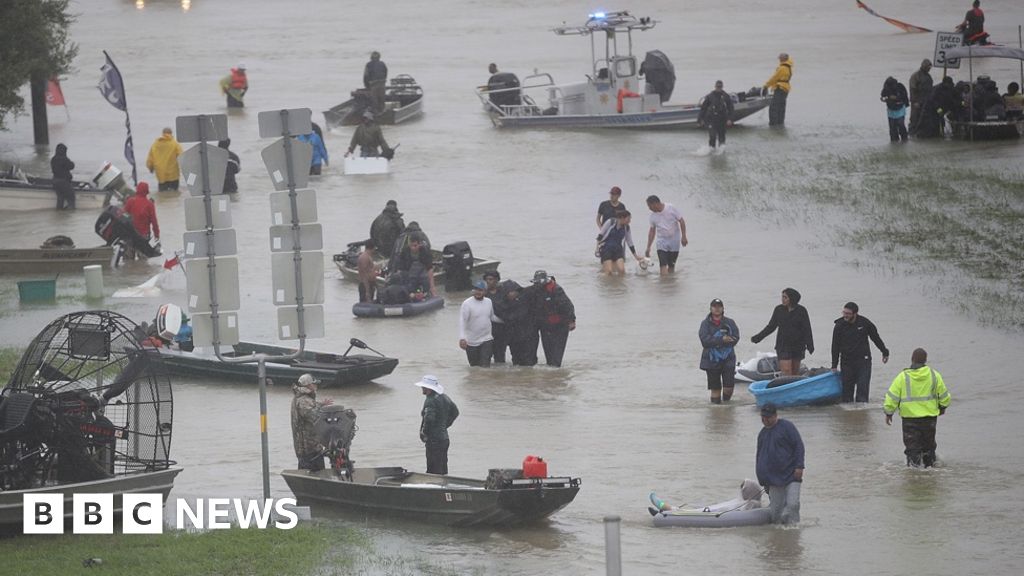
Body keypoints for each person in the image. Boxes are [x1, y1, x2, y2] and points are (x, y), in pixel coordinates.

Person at [884, 348, 951, 467]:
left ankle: (913, 474)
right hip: (929, 418)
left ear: (912, 359)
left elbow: (892, 396)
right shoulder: (934, 375)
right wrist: (943, 407)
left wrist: (889, 413)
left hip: (909, 419)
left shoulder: (902, 377)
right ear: (925, 360)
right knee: (929, 447)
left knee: (912, 448)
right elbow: (944, 396)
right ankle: (930, 470)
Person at [831, 301, 890, 403]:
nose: (845, 315)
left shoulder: (865, 323)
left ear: (855, 314)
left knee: (862, 390)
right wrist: (834, 365)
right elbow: (835, 346)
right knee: (847, 395)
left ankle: (862, 414)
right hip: (846, 362)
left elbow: (876, 338)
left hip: (864, 361)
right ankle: (848, 416)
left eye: (848, 314)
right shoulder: (839, 325)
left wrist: (885, 352)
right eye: (844, 313)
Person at [756, 404, 804, 525]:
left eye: (768, 417)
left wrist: (799, 466)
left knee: (793, 504)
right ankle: (779, 536)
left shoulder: (787, 427)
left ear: (775, 416)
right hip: (773, 479)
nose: (765, 420)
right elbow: (760, 458)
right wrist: (763, 480)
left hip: (791, 475)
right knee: (776, 512)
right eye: (763, 417)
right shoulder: (762, 434)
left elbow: (799, 446)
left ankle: (794, 530)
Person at [751, 288, 814, 376]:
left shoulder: (801, 310)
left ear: (792, 298)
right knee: (786, 371)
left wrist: (810, 344)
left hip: (798, 345)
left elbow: (807, 328)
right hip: (783, 345)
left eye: (785, 297)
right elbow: (771, 326)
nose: (782, 299)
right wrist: (759, 337)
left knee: (795, 373)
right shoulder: (779, 309)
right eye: (782, 297)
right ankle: (786, 386)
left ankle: (793, 389)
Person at [529, 270, 576, 368]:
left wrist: (572, 321)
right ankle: (550, 376)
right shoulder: (535, 291)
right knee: (549, 354)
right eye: (536, 283)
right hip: (545, 325)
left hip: (560, 326)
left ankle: (556, 374)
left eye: (539, 283)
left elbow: (568, 306)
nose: (537, 285)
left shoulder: (556, 290)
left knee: (556, 355)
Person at [415, 375, 458, 475]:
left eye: (423, 387)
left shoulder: (430, 401)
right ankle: (444, 488)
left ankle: (434, 488)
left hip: (434, 441)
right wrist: (444, 425)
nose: (422, 388)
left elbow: (429, 419)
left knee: (433, 470)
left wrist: (424, 433)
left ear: (428, 388)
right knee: (443, 468)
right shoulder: (445, 397)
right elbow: (455, 412)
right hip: (444, 439)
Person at [699, 298, 740, 403]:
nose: (717, 309)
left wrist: (730, 340)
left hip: (728, 359)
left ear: (723, 308)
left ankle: (726, 406)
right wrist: (721, 340)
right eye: (714, 307)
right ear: (710, 308)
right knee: (715, 388)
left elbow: (736, 337)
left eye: (719, 307)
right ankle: (716, 412)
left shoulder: (730, 322)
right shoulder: (705, 324)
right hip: (711, 360)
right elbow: (704, 341)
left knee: (729, 387)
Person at [290, 373, 333, 471]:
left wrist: (321, 404)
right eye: (314, 384)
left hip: (308, 448)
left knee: (308, 478)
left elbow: (311, 409)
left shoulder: (301, 398)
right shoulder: (303, 401)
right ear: (308, 385)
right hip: (308, 449)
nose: (316, 386)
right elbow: (315, 416)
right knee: (315, 477)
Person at [495, 279, 538, 366]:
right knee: (516, 360)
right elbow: (503, 316)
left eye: (512, 291)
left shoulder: (527, 297)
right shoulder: (502, 303)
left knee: (529, 360)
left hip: (529, 335)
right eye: (508, 292)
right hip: (513, 337)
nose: (510, 294)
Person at [644, 195, 688, 275]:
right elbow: (652, 231)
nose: (649, 208)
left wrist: (684, 236)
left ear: (655, 204)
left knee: (671, 266)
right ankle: (663, 284)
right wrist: (648, 247)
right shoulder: (653, 216)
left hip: (674, 240)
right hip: (662, 241)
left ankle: (669, 285)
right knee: (662, 264)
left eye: (649, 206)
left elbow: (681, 221)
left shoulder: (671, 208)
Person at [459, 280, 499, 367]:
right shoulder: (467, 304)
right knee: (475, 367)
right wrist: (462, 338)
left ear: (485, 291)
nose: (478, 292)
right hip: (471, 341)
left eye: (480, 290)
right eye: (476, 289)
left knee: (485, 366)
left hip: (487, 339)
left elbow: (492, 317)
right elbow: (463, 321)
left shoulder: (489, 301)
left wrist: (505, 321)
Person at [596, 209, 642, 275]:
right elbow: (600, 236)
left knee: (622, 271)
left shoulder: (627, 228)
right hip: (606, 249)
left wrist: (636, 256)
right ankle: (605, 283)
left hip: (618, 250)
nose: (629, 221)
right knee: (609, 272)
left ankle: (620, 284)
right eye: (628, 219)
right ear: (622, 218)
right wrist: (597, 248)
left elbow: (630, 242)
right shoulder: (610, 222)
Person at [697, 80, 733, 151]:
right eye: (717, 86)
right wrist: (699, 120)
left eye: (720, 87)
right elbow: (703, 109)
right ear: (715, 86)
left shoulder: (726, 96)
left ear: (722, 87)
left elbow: (731, 108)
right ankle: (711, 152)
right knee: (712, 136)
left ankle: (721, 154)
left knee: (721, 138)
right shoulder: (710, 96)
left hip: (722, 120)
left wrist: (730, 119)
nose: (719, 88)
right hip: (711, 120)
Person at [483, 271, 508, 363]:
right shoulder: (482, 294)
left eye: (491, 279)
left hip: (501, 330)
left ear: (497, 280)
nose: (488, 282)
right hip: (486, 330)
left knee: (500, 355)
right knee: (485, 356)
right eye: (486, 280)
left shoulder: (504, 293)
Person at [146, 127, 183, 191]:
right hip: (173, 175)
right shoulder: (175, 144)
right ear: (171, 134)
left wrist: (151, 168)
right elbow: (182, 156)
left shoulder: (155, 144)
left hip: (161, 175)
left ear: (163, 134)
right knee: (174, 194)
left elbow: (150, 159)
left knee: (162, 194)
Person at [763, 53, 793, 127]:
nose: (779, 59)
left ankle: (773, 125)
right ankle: (780, 123)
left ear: (783, 58)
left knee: (773, 107)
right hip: (786, 89)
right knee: (781, 107)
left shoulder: (782, 68)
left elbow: (774, 78)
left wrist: (766, 85)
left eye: (780, 58)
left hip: (780, 88)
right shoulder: (789, 67)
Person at [908, 59, 933, 136]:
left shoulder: (928, 76)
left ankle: (921, 135)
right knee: (914, 118)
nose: (929, 69)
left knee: (924, 119)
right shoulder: (915, 76)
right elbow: (912, 90)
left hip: (926, 101)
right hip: (917, 101)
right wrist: (915, 102)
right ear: (924, 66)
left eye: (930, 67)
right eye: (928, 67)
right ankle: (911, 134)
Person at [880, 76, 909, 143]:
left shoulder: (900, 86)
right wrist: (884, 99)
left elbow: (905, 96)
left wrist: (896, 98)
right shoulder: (886, 88)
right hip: (891, 109)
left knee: (901, 124)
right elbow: (882, 95)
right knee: (892, 127)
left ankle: (904, 140)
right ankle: (894, 141)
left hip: (900, 108)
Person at [50, 143, 75, 210]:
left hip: (55, 181)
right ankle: (70, 213)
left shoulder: (53, 159)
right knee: (71, 198)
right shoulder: (64, 159)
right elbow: (71, 166)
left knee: (60, 198)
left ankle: (59, 213)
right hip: (63, 182)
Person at [356, 239, 379, 303]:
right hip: (366, 285)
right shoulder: (364, 257)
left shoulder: (368, 257)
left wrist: (375, 285)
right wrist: (367, 291)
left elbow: (369, 272)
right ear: (373, 247)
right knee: (366, 303)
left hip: (370, 285)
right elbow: (364, 274)